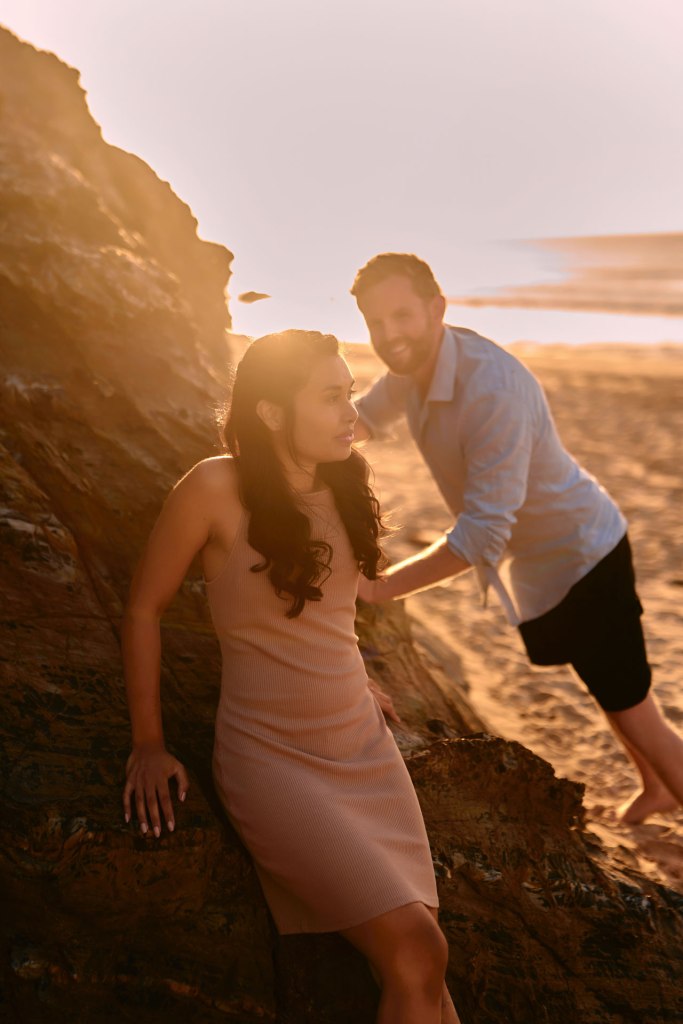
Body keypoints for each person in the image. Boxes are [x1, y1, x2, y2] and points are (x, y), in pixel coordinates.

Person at [121, 329, 461, 1024]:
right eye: (331, 397)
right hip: (273, 758)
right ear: (272, 412)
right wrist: (148, 744)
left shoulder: (343, 481)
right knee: (416, 951)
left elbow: (347, 602)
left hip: (362, 747)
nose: (351, 412)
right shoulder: (212, 486)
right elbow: (143, 608)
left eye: (350, 393)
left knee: (423, 959)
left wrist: (354, 678)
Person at [350, 252, 683, 826]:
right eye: (375, 323)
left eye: (401, 316)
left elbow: (483, 533)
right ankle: (655, 787)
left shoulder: (491, 389)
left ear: (437, 308)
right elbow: (364, 419)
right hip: (539, 563)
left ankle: (667, 779)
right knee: (611, 690)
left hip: (585, 554)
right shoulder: (411, 368)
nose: (389, 336)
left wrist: (381, 589)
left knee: (633, 708)